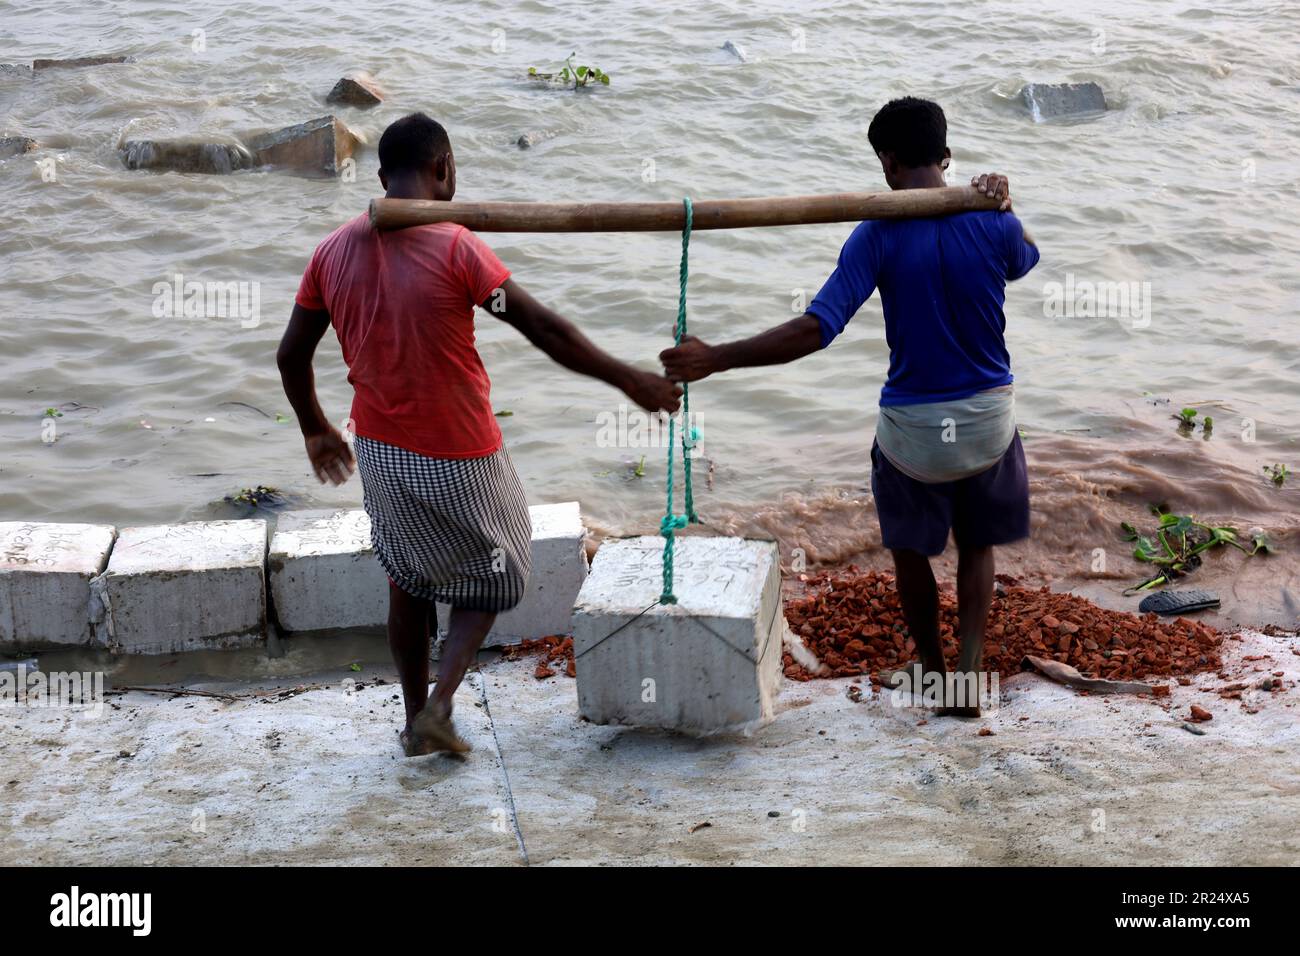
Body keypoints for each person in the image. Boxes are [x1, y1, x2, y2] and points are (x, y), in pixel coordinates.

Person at [278, 112, 681, 756]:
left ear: (383, 180)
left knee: (406, 578)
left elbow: (290, 356)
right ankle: (439, 705)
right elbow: (542, 330)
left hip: (380, 450)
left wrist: (317, 429)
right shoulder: (458, 247)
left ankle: (415, 721)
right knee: (498, 572)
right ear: (444, 170)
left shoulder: (330, 252)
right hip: (461, 449)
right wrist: (628, 380)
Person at [660, 97, 1039, 717]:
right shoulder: (992, 220)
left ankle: (935, 670)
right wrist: (1001, 199)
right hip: (987, 422)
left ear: (887, 162)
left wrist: (718, 357)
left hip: (914, 431)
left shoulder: (876, 234)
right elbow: (1024, 258)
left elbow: (817, 329)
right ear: (946, 154)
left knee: (911, 553)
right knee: (976, 545)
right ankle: (966, 678)